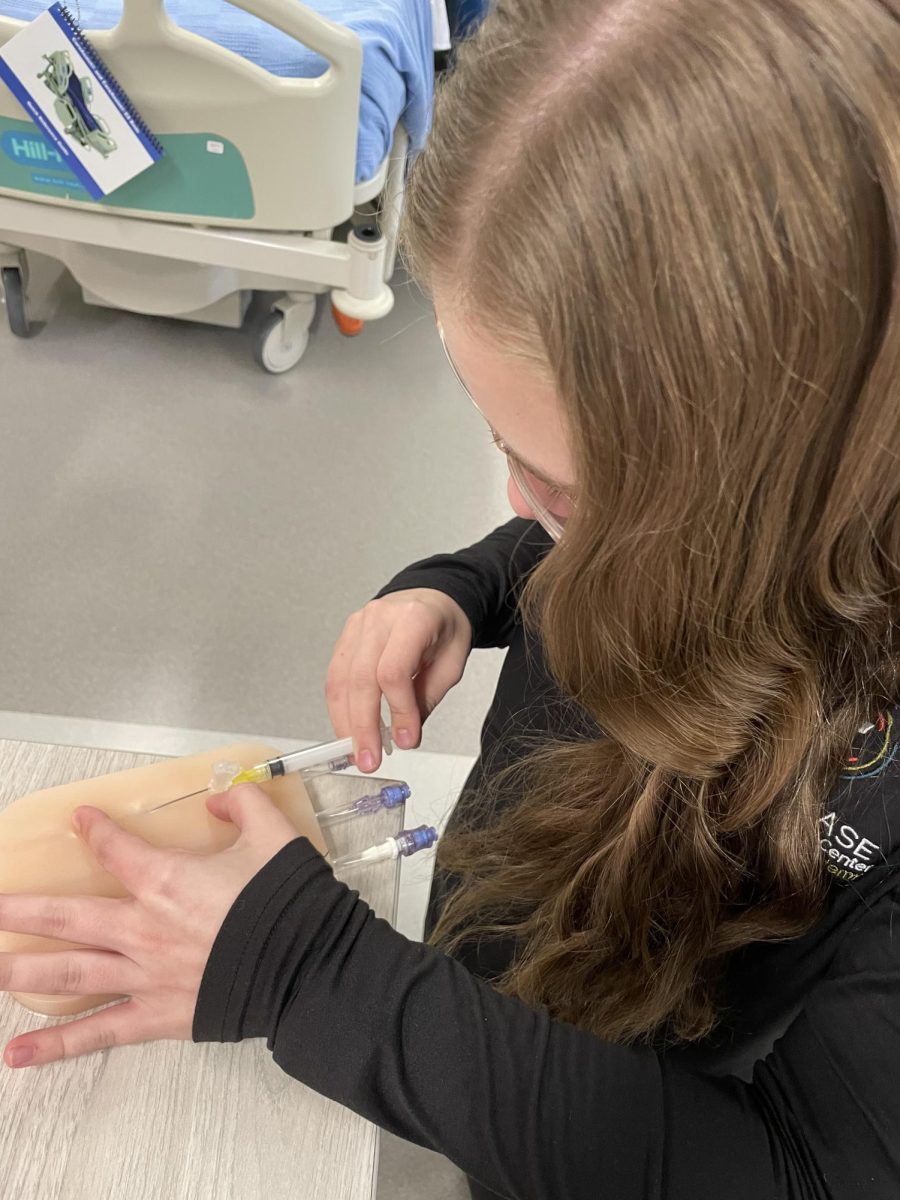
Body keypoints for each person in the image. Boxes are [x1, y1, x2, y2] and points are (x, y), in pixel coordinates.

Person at [2, 1, 899, 1195]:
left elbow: (799, 1173)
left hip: (634, 1091)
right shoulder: (632, 524)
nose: (525, 508)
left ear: (803, 472)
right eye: (497, 445)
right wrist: (464, 586)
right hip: (500, 963)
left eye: (577, 489)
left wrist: (311, 975)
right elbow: (555, 538)